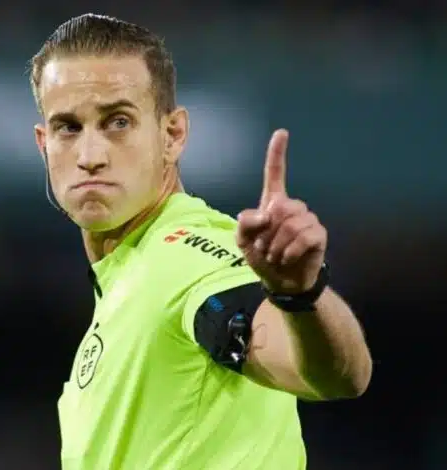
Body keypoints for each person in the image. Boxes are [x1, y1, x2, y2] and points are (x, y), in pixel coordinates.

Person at [29, 13, 373, 470]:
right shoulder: (127, 275)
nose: (90, 156)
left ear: (172, 135)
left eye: (118, 121)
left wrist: (299, 294)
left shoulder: (186, 252)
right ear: (44, 145)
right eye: (68, 127)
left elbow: (339, 376)